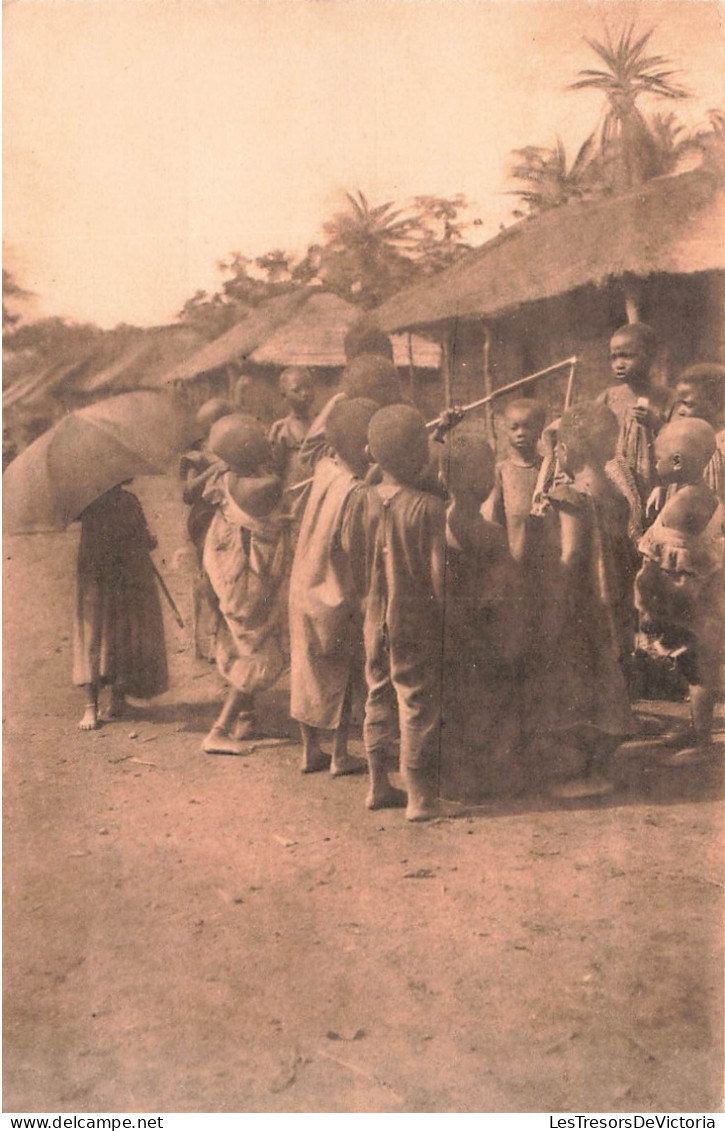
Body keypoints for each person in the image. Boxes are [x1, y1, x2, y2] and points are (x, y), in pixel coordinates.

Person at [531, 402, 634, 798]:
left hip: (580, 604)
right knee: (606, 680)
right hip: (611, 602)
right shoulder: (615, 496)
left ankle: (591, 773)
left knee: (580, 682)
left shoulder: (569, 496)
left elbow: (571, 555)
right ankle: (599, 768)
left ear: (569, 451)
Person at [350, 404, 446, 821]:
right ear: (422, 457)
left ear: (371, 454)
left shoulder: (361, 500)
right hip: (414, 618)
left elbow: (351, 554)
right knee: (417, 702)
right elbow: (439, 576)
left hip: (374, 614)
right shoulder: (428, 508)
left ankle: (377, 785)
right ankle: (419, 797)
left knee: (378, 693)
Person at [289, 398, 378, 776]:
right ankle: (341, 754)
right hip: (333, 592)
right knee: (344, 672)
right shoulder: (355, 494)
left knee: (307, 671)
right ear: (365, 448)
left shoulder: (325, 468)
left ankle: (310, 750)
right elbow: (352, 547)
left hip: (303, 586)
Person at [439, 420, 524, 800]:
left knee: (454, 706)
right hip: (482, 631)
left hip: (448, 627)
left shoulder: (439, 522)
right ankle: (488, 773)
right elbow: (504, 585)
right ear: (490, 483)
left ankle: (455, 778)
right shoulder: (490, 533)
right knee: (487, 702)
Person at [635, 417, 724, 765]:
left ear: (675, 463)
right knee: (692, 666)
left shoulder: (681, 505)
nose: (654, 463)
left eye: (657, 456)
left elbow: (667, 558)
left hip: (685, 600)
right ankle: (694, 728)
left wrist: (651, 602)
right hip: (700, 597)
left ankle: (702, 742)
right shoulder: (702, 495)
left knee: (697, 666)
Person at [201, 414, 290, 755]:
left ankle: (244, 721)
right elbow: (280, 483)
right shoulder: (264, 486)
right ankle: (219, 730)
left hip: (229, 563)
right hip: (246, 574)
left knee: (247, 642)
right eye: (261, 441)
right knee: (257, 646)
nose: (269, 443)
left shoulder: (227, 477)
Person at [74, 482, 169, 730]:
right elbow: (143, 539)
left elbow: (141, 538)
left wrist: (145, 541)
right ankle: (94, 707)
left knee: (113, 634)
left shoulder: (123, 502)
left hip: (118, 577)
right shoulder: (95, 503)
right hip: (100, 578)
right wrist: (148, 541)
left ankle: (113, 701)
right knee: (100, 635)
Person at [179, 398, 233, 661]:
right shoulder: (196, 456)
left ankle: (223, 635)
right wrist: (214, 468)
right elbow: (188, 493)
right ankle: (212, 637)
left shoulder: (232, 449)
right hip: (204, 518)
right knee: (210, 576)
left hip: (228, 516)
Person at [597, 322, 671, 513]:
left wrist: (657, 423)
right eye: (614, 357)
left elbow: (679, 443)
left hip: (655, 487)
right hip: (615, 486)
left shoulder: (667, 398)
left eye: (627, 356)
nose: (619, 364)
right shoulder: (608, 398)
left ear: (650, 356)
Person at [482, 398, 546, 562]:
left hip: (546, 559)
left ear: (540, 430)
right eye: (514, 427)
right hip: (514, 560)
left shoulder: (548, 468)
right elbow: (491, 519)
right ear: (505, 430)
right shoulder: (501, 471)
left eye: (528, 427)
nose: (521, 433)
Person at [667, 363, 725, 506]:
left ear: (716, 405)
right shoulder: (685, 439)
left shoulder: (720, 445)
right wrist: (661, 488)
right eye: (679, 404)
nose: (680, 411)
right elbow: (673, 468)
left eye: (689, 404)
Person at [268, 366, 316, 497]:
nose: (305, 393)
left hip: (318, 488)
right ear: (284, 396)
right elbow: (275, 467)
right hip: (293, 492)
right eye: (297, 390)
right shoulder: (282, 428)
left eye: (309, 387)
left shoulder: (321, 423)